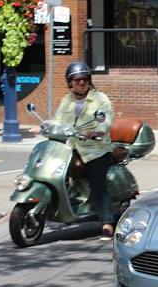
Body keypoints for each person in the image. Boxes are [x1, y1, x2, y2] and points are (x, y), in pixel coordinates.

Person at [55, 61, 115, 241]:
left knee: (97, 184)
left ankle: (107, 223)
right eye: (76, 80)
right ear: (70, 83)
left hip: (96, 149)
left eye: (84, 79)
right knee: (57, 173)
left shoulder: (99, 99)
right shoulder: (67, 100)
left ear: (89, 81)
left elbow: (107, 118)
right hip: (72, 147)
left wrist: (98, 130)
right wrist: (46, 127)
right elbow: (58, 120)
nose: (81, 83)